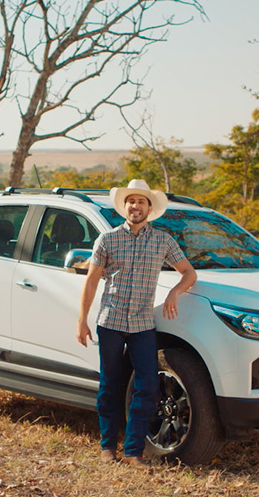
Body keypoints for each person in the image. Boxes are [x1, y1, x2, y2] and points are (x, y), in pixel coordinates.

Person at [76, 179, 197, 468]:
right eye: (131, 201)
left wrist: (174, 292)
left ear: (149, 208)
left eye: (141, 201)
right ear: (125, 207)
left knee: (148, 385)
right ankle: (107, 446)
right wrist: (82, 320)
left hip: (143, 324)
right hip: (111, 321)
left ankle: (133, 451)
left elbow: (189, 273)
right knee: (110, 384)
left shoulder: (163, 241)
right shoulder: (107, 240)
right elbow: (91, 281)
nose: (135, 206)